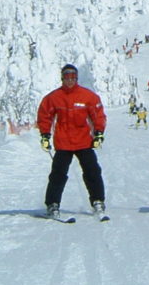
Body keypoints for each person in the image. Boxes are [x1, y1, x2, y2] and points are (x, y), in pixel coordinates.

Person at [37, 64, 107, 218]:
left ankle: (98, 201)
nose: (70, 81)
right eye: (67, 77)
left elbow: (98, 115)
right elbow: (44, 116)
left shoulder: (87, 96)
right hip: (63, 143)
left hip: (83, 142)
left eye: (73, 77)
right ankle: (52, 204)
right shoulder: (54, 97)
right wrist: (45, 135)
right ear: (62, 78)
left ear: (77, 78)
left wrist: (99, 133)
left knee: (92, 171)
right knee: (58, 174)